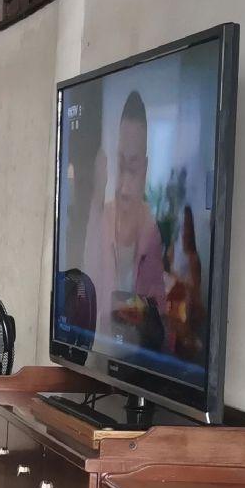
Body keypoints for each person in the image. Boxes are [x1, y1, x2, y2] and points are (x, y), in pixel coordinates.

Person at [81, 91, 168, 349]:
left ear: (145, 169)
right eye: (120, 166)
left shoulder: (152, 230)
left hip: (139, 358)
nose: (124, 187)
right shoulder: (101, 219)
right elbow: (82, 298)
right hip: (98, 355)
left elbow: (160, 320)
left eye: (133, 168)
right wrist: (96, 198)